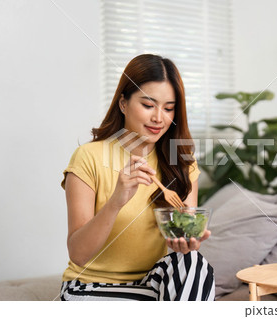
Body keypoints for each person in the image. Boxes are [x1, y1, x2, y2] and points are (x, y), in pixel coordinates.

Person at [59, 54, 215, 301]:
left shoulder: (182, 163)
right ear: (123, 103)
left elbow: (183, 238)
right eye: (148, 105)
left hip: (153, 284)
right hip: (91, 289)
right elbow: (78, 254)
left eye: (169, 108)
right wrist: (116, 202)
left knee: (193, 261)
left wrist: (185, 241)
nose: (159, 118)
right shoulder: (88, 157)